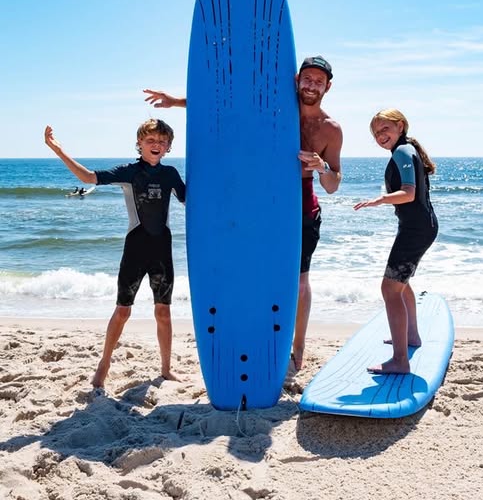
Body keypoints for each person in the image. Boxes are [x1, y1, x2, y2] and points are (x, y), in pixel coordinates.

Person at [143, 55, 343, 370]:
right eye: (307, 78)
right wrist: (178, 102)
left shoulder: (330, 129)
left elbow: (333, 184)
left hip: (302, 209)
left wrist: (322, 167)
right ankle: (261, 335)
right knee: (260, 274)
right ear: (296, 80)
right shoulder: (275, 109)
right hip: (263, 206)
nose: (311, 85)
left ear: (327, 87)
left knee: (300, 281)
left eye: (319, 81)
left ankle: (299, 349)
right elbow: (228, 107)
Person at [44, 118, 186, 389]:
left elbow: (193, 199)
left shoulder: (170, 175)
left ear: (168, 147)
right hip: (135, 248)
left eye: (161, 141)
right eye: (150, 140)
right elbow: (88, 178)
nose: (156, 145)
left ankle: (166, 369)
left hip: (162, 249)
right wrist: (58, 150)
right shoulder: (129, 172)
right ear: (140, 144)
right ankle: (104, 363)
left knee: (164, 312)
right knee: (122, 310)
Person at [353, 109, 438, 374]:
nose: (380, 136)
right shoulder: (406, 150)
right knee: (400, 285)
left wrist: (379, 199)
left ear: (400, 126)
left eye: (385, 129)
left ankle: (400, 360)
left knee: (390, 289)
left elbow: (409, 194)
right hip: (420, 226)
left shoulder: (402, 151)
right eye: (376, 133)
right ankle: (411, 337)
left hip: (416, 229)